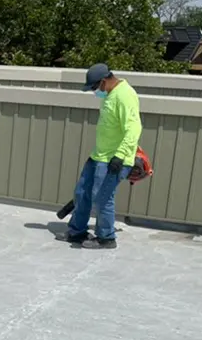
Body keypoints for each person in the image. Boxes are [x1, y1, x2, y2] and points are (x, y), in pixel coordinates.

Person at [59, 63, 142, 249]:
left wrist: (120, 156)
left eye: (95, 88)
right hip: (99, 156)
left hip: (114, 159)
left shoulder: (125, 95)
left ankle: (106, 238)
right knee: (83, 192)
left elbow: (134, 128)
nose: (95, 92)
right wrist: (95, 155)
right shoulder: (110, 95)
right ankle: (77, 231)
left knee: (102, 198)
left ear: (104, 81)